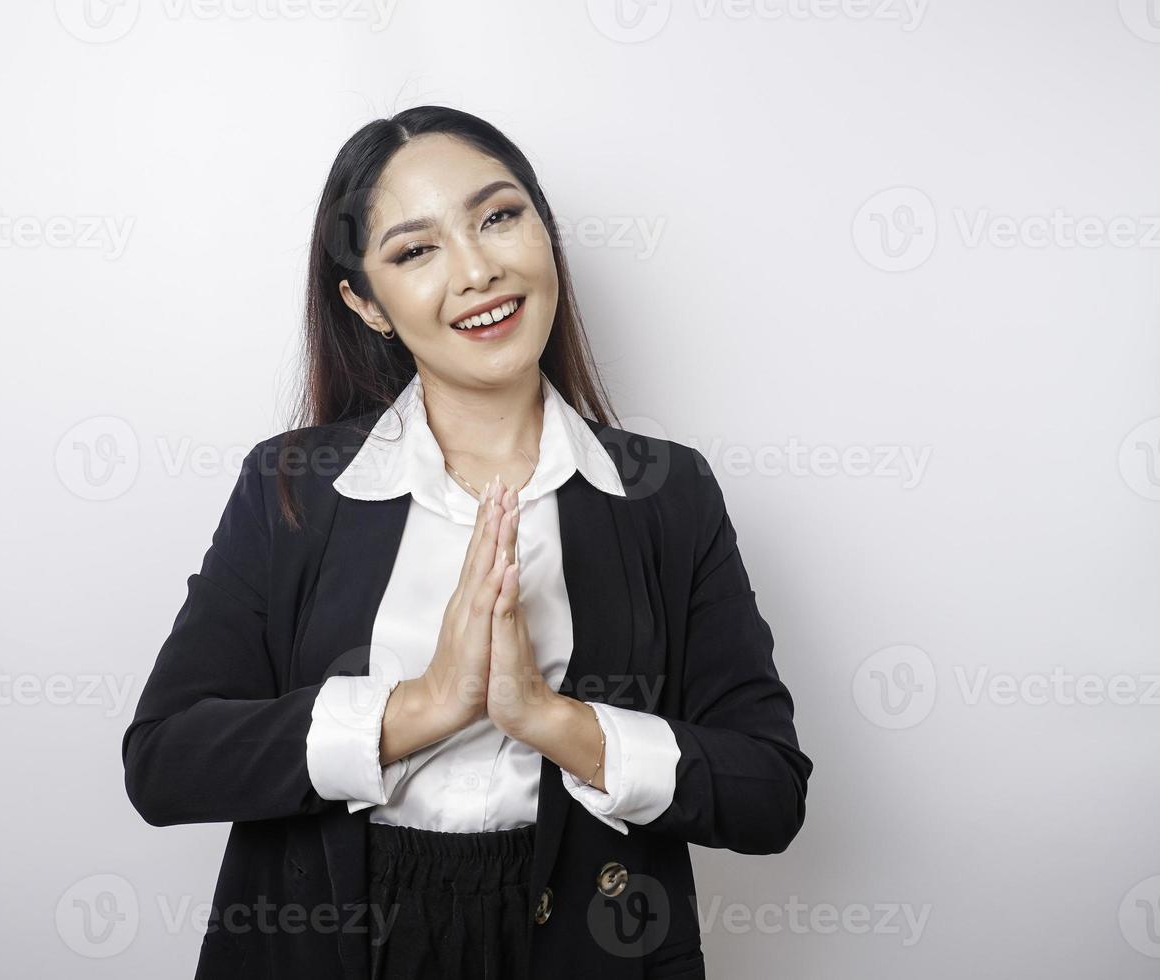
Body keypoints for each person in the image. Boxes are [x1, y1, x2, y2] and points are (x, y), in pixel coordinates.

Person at [122, 105, 813, 980]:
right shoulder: (290, 485)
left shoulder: (666, 496)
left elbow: (768, 795)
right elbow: (165, 761)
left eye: (499, 216)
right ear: (365, 303)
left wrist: (552, 721)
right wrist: (426, 704)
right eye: (415, 251)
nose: (479, 270)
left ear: (545, 234)